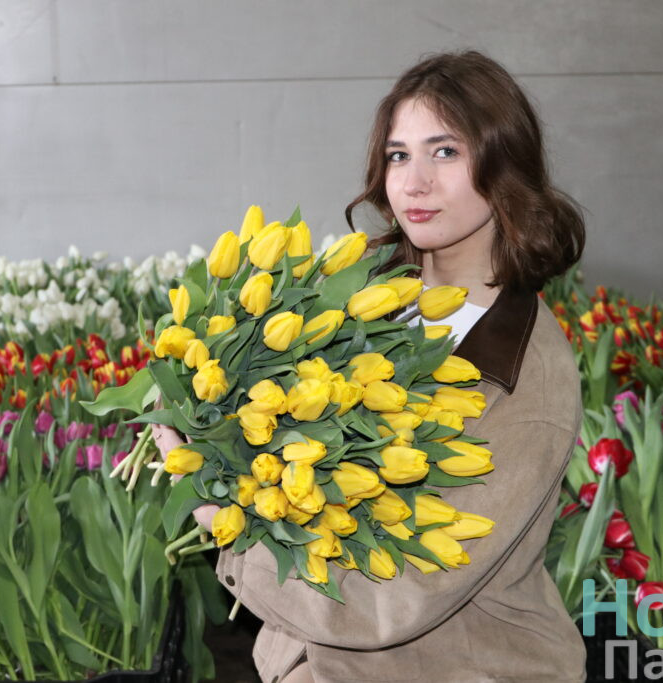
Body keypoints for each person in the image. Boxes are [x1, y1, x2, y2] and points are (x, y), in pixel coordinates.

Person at [154, 50, 587, 682]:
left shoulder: (525, 377)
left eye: (446, 152)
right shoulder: (360, 296)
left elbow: (394, 600)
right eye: (398, 155)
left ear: (505, 164)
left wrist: (224, 521)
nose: (414, 183)